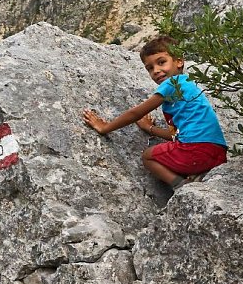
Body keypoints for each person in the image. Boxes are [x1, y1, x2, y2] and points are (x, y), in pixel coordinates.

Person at [82, 35, 227, 186]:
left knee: (148, 157)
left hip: (195, 151)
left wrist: (105, 127)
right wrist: (149, 128)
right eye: (150, 68)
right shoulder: (188, 84)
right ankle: (197, 173)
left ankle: (182, 185)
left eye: (161, 62)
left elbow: (136, 113)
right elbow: (175, 135)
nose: (156, 71)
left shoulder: (172, 83)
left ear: (179, 61)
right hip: (218, 154)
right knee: (179, 150)